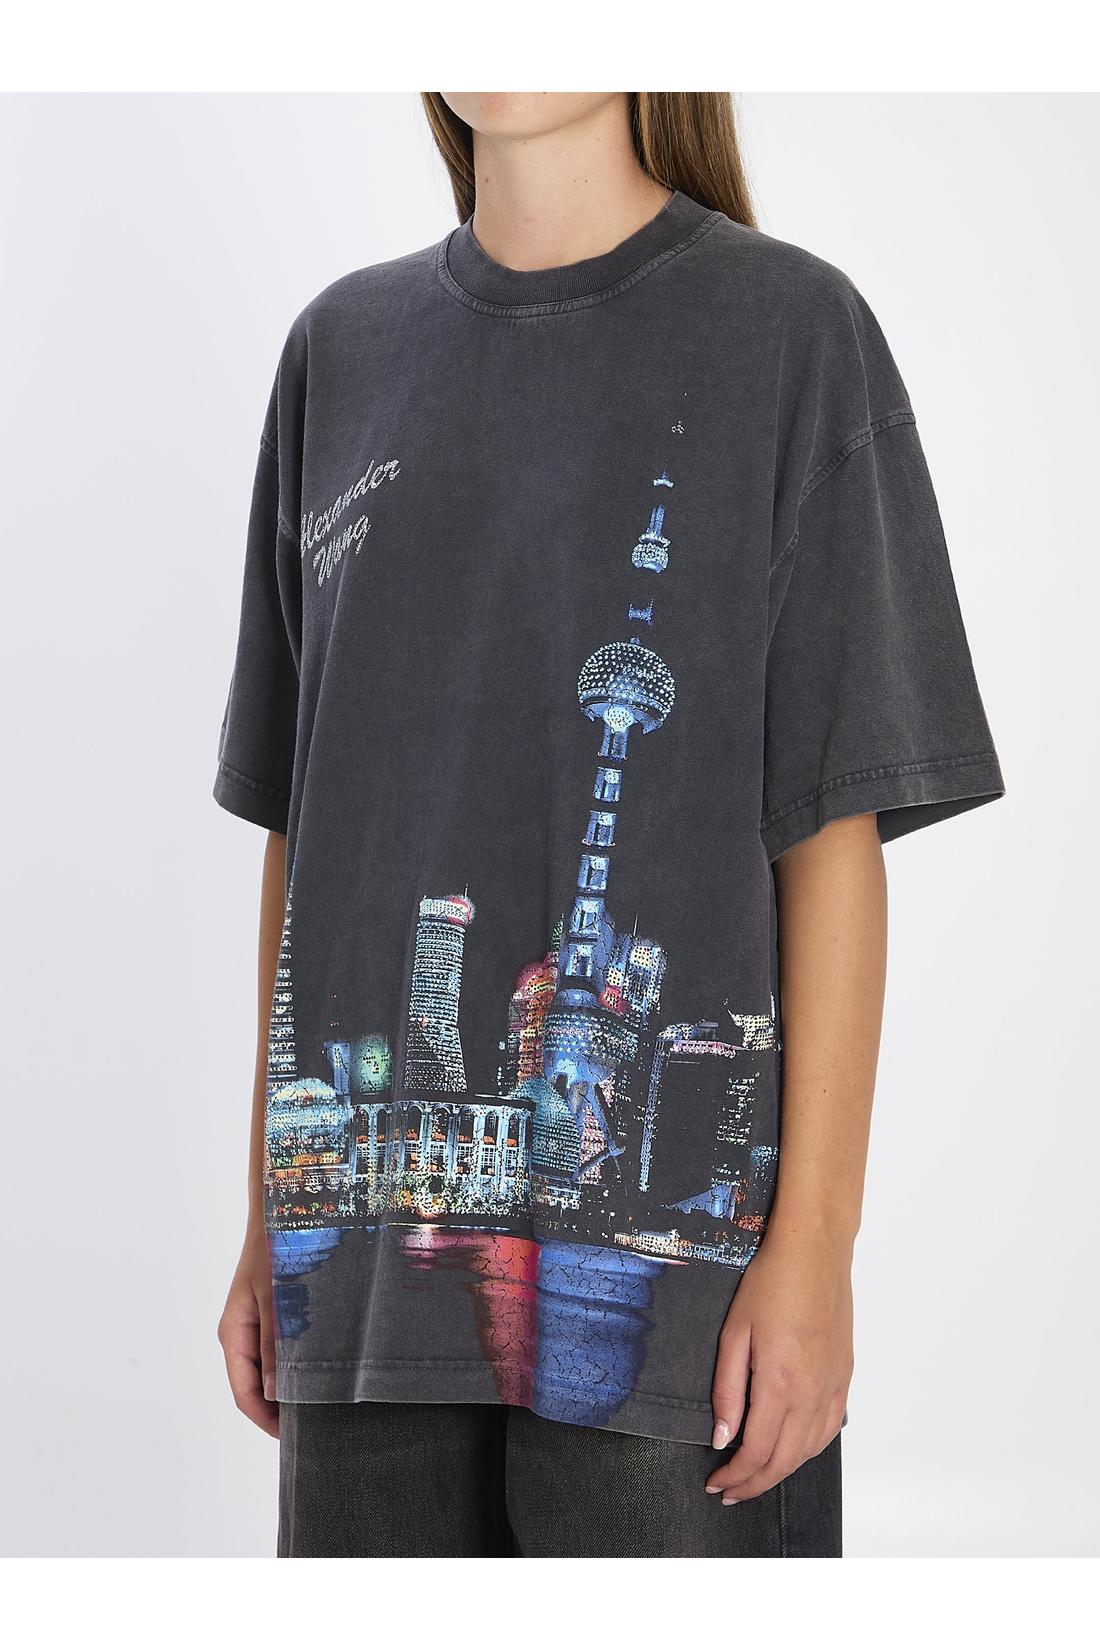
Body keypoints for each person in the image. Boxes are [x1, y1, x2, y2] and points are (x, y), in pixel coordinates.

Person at [214, 92, 1002, 1559]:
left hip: (680, 1310)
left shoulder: (790, 334)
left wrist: (816, 1248)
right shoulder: (339, 353)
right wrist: (272, 1215)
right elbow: (300, 833)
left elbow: (828, 829)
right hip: (366, 1289)